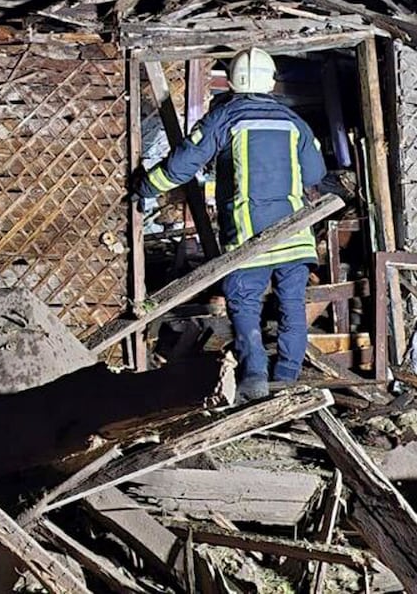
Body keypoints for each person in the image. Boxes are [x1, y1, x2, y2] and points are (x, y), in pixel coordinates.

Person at [135, 48, 328, 402]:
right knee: (292, 308)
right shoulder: (293, 122)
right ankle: (287, 379)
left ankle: (254, 378)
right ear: (270, 82)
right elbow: (316, 174)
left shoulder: (223, 119)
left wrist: (144, 187)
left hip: (248, 238)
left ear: (234, 80)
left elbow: (181, 166)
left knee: (245, 306)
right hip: (295, 235)